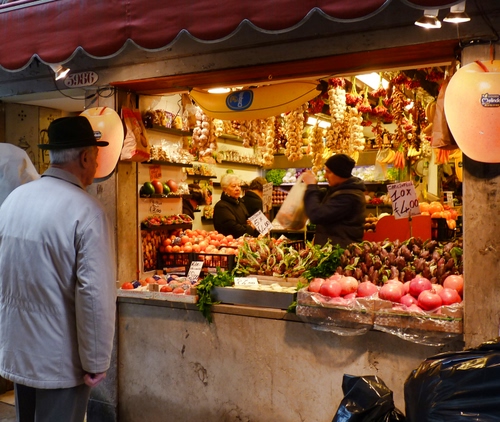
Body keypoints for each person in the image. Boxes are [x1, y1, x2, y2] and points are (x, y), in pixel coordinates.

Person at [0, 116, 117, 422]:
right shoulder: (87, 211)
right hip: (60, 362)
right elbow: (94, 295)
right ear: (85, 157)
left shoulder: (13, 201)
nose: (96, 164)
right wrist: (96, 361)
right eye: (96, 156)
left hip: (17, 352)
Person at [302, 153, 366, 248]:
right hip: (332, 248)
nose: (325, 176)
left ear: (340, 173)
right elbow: (321, 195)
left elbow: (317, 215)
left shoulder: (349, 196)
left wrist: (311, 186)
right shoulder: (339, 190)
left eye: (328, 172)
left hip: (341, 251)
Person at [213, 173, 259, 238]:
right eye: (233, 186)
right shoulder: (221, 206)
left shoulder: (240, 203)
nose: (238, 189)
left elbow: (246, 220)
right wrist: (250, 227)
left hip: (244, 240)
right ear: (224, 189)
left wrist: (250, 222)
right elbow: (234, 229)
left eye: (239, 186)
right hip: (229, 242)